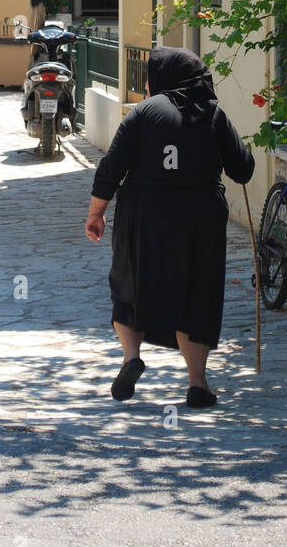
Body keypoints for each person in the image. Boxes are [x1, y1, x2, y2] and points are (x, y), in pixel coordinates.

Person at [85, 46, 254, 408]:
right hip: (200, 217)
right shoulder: (212, 114)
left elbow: (112, 168)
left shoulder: (143, 114)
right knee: (196, 295)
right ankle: (197, 383)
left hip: (144, 213)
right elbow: (243, 169)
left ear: (164, 77)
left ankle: (132, 358)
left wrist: (96, 212)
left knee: (131, 283)